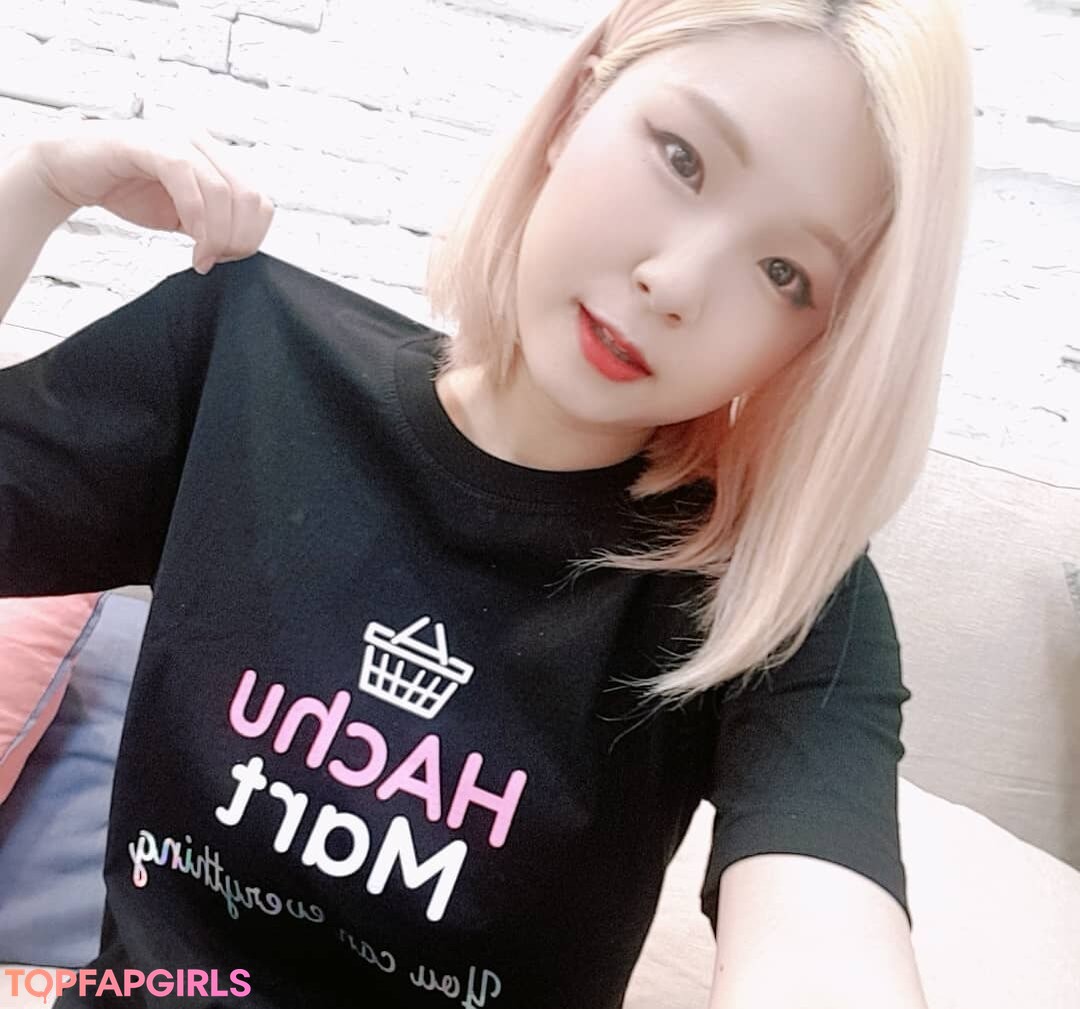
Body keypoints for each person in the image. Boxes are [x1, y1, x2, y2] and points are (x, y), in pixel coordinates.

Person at [0, 0, 973, 1005]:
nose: (675, 283)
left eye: (784, 272)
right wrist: (33, 185)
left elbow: (825, 940)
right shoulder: (239, 358)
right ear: (580, 102)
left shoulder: (775, 596)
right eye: (681, 158)